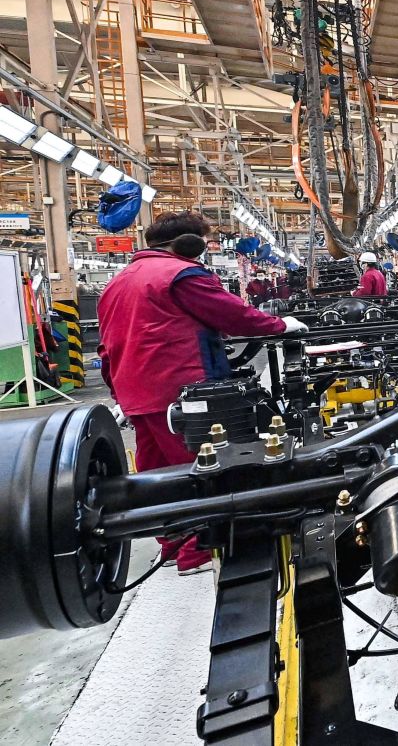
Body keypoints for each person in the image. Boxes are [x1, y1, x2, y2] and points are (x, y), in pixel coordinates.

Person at [98, 211, 308, 574]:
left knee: (155, 471)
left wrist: (118, 392)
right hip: (180, 390)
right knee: (201, 467)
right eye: (204, 243)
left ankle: (173, 545)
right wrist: (280, 325)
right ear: (188, 243)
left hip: (135, 391)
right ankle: (196, 553)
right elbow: (232, 315)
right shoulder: (181, 274)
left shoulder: (118, 282)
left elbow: (105, 347)